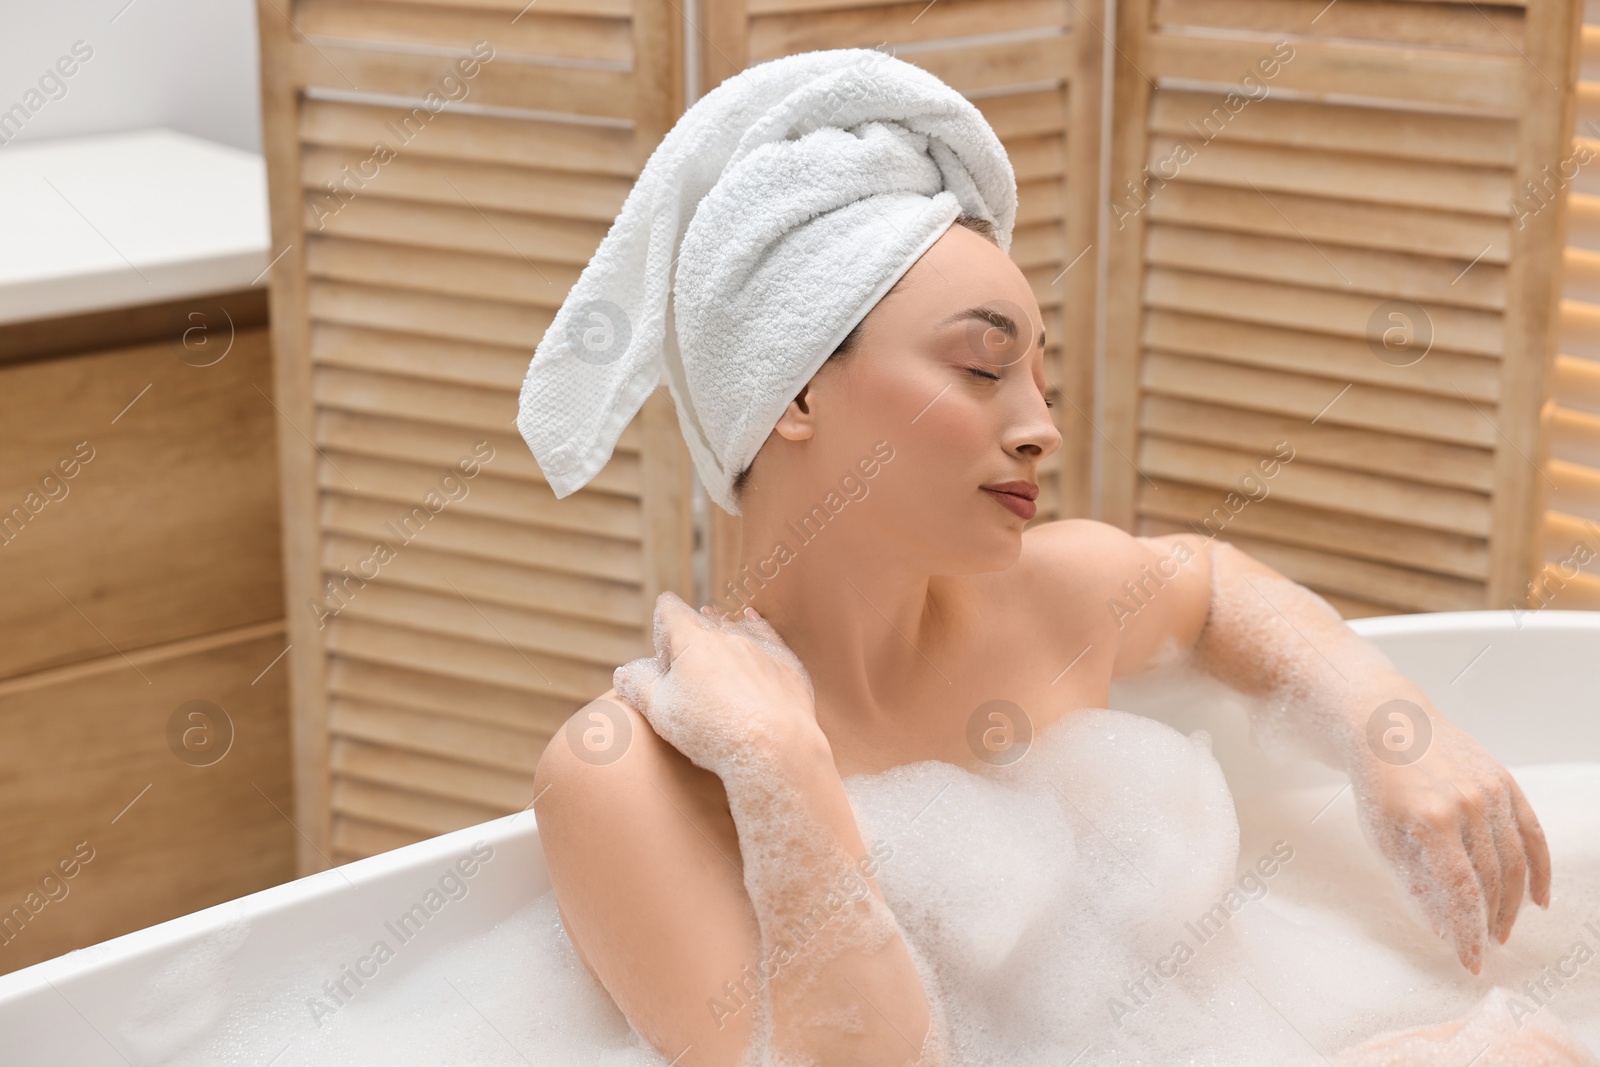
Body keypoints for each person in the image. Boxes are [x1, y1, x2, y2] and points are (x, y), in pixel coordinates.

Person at [530, 213, 1555, 1067]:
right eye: (981, 368)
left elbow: (1204, 580)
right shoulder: (627, 779)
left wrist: (1392, 727)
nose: (1038, 427)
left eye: (1042, 385)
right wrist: (783, 774)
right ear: (796, 390)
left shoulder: (1044, 599)